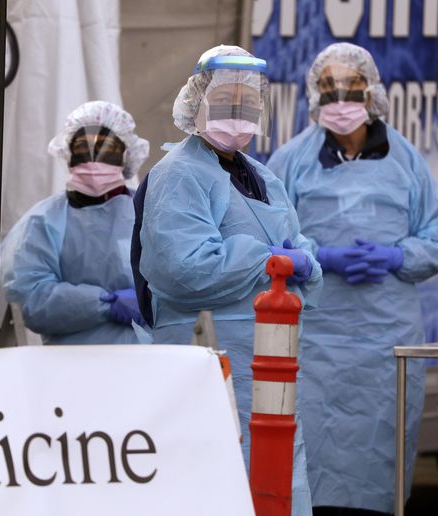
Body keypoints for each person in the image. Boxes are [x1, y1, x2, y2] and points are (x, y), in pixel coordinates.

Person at [132, 45, 323, 516]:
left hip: (268, 362)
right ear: (195, 103)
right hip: (208, 360)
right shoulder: (178, 174)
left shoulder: (262, 176)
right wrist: (268, 260)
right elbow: (186, 270)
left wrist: (302, 260)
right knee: (214, 487)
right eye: (224, 101)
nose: (236, 112)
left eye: (246, 101)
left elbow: (300, 247)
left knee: (276, 484)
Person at [266, 42, 438, 516]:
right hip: (315, 345)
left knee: (380, 465)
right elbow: (263, 238)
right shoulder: (291, 162)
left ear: (371, 93)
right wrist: (318, 256)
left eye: (351, 87)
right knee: (312, 468)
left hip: (385, 347)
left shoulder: (407, 162)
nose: (340, 98)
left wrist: (396, 256)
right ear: (314, 95)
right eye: (329, 88)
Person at [1, 101, 149, 344]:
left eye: (106, 147)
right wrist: (104, 304)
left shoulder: (150, 214)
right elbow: (31, 300)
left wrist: (155, 300)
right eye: (82, 147)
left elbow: (183, 278)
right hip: (71, 368)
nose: (93, 158)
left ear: (127, 156)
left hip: (156, 362)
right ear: (67, 156)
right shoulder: (42, 223)